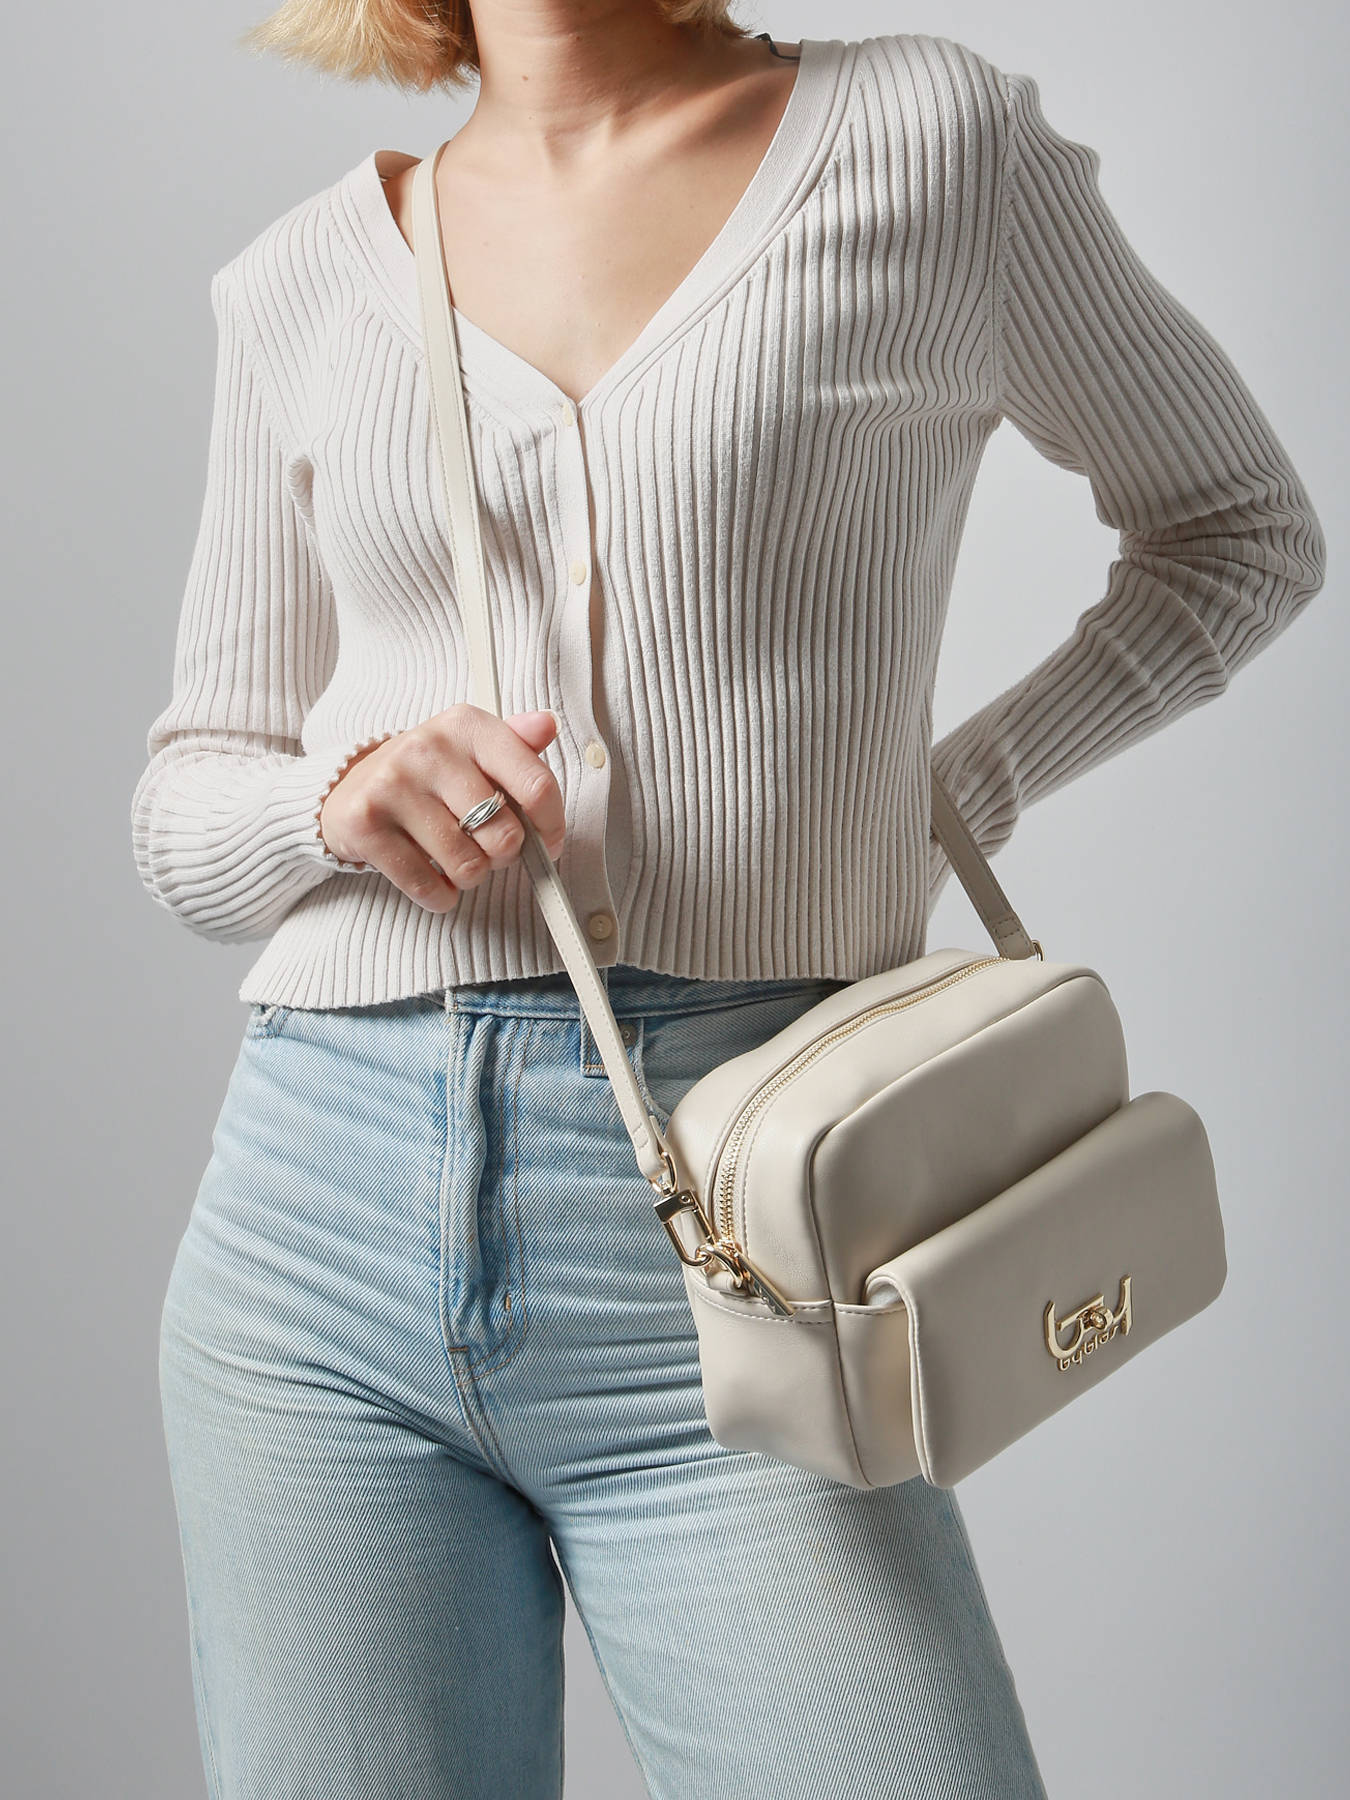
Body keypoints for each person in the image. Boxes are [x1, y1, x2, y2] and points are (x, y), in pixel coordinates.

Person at [132, 4, 1326, 1797]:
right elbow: (184, 805)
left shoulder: (926, 141)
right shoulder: (301, 277)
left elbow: (1238, 532)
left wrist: (952, 794)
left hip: (757, 1220)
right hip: (312, 1242)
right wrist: (336, 799)